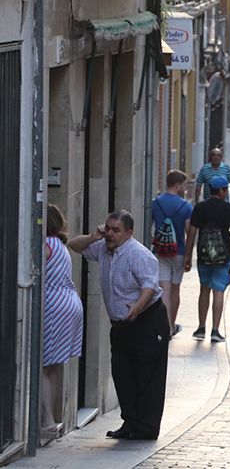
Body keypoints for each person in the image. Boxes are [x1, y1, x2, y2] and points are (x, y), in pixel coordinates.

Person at [68, 210, 169, 441]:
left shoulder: (139, 255)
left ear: (129, 233)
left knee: (148, 375)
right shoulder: (102, 247)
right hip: (121, 325)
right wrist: (93, 237)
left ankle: (146, 428)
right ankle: (130, 422)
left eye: (116, 230)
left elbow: (149, 286)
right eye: (108, 228)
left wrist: (137, 306)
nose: (110, 234)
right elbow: (74, 245)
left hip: (147, 320)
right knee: (122, 373)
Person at [42, 204, 84, 438]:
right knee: (52, 367)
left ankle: (48, 421)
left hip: (53, 306)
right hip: (70, 304)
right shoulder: (61, 246)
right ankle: (49, 419)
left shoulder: (45, 245)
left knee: (42, 366)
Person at [184, 176, 230, 343]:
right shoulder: (229, 209)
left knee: (204, 289)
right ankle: (215, 330)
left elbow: (192, 233)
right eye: (226, 190)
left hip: (204, 255)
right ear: (223, 190)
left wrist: (188, 255)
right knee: (218, 291)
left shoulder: (200, 208)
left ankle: (201, 328)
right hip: (223, 256)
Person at [151, 170, 193, 337]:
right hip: (179, 252)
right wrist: (189, 256)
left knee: (164, 290)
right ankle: (172, 326)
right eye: (183, 185)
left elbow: (148, 224)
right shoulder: (186, 206)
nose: (185, 188)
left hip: (160, 251)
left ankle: (164, 326)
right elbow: (190, 232)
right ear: (177, 185)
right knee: (175, 289)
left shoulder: (155, 203)